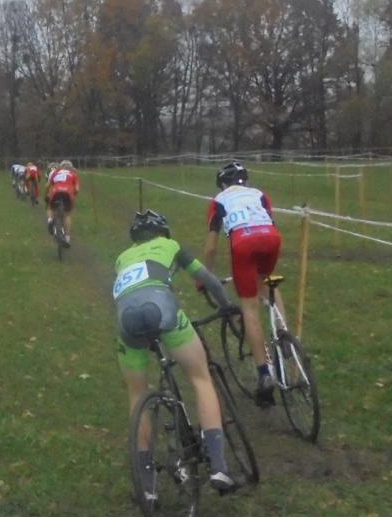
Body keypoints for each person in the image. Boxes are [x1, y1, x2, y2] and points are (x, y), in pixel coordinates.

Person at [113, 210, 240, 495]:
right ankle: (218, 467)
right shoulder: (171, 245)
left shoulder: (121, 258)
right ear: (163, 232)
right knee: (200, 377)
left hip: (127, 322)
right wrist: (227, 306)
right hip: (162, 310)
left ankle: (147, 487)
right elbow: (209, 280)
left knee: (137, 395)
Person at [200, 160, 284, 406]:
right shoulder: (260, 194)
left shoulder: (219, 201)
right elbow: (268, 222)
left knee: (249, 308)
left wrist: (205, 276)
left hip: (243, 243)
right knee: (268, 281)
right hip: (271, 238)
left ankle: (264, 373)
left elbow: (211, 247)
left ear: (222, 184)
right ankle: (284, 336)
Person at [45, 160, 81, 245]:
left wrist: (46, 194)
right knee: (67, 215)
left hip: (56, 192)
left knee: (50, 207)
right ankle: (67, 238)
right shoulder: (74, 174)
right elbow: (77, 189)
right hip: (68, 193)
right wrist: (73, 195)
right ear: (71, 168)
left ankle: (50, 220)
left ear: (60, 167)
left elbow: (48, 185)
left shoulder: (55, 173)